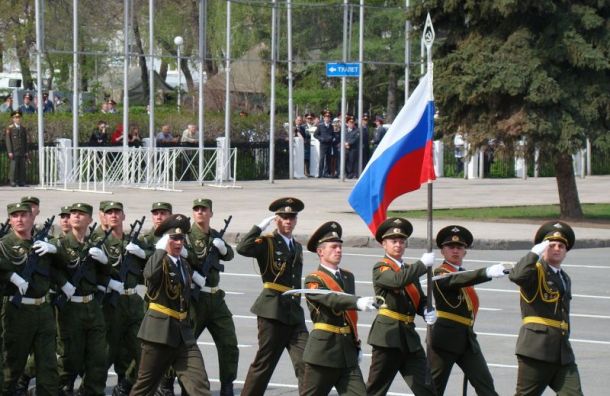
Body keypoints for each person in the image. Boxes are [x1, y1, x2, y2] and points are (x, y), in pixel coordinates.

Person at [129, 214, 211, 396]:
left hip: (183, 334)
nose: (179, 243)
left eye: (181, 238)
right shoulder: (158, 261)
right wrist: (159, 251)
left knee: (199, 383)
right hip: (159, 334)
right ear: (166, 239)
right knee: (145, 386)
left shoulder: (184, 264)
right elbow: (149, 276)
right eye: (174, 238)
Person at [236, 197, 309, 395]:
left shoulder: (297, 247)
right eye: (284, 217)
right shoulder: (267, 242)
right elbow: (243, 248)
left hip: (294, 313)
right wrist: (258, 228)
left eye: (291, 217)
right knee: (264, 364)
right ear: (276, 219)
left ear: (296, 220)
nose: (288, 221)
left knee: (307, 364)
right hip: (272, 311)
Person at [301, 221, 377, 396]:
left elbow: (348, 315)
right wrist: (357, 302)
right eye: (334, 247)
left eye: (340, 247)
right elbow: (331, 299)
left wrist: (355, 344)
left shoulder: (348, 277)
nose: (339, 250)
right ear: (320, 251)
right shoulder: (313, 279)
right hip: (323, 352)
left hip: (347, 352)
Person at [429, 225, 506, 395]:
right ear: (442, 251)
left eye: (460, 247)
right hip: (445, 339)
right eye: (450, 247)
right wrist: (487, 272)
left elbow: (463, 279)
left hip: (467, 338)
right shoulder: (440, 273)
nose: (455, 251)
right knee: (434, 387)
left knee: (485, 383)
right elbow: (455, 280)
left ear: (465, 251)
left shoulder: (463, 274)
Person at [508, 221, 583, 396]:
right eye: (552, 245)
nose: (557, 248)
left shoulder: (564, 277)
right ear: (543, 248)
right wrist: (534, 252)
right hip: (536, 350)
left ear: (566, 251)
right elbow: (517, 275)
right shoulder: (534, 271)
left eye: (561, 246)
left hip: (562, 353)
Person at [366, 217, 438, 396]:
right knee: (376, 389)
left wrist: (426, 310)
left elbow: (419, 298)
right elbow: (397, 281)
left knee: (426, 388)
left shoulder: (408, 269)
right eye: (393, 241)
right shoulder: (380, 268)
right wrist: (421, 265)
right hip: (388, 338)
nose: (398, 245)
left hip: (409, 338)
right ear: (384, 244)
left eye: (401, 241)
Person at [0, 202, 60, 396]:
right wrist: (11, 275)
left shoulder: (42, 243)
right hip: (18, 311)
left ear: (32, 217)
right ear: (10, 220)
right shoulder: (4, 244)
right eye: (15, 216)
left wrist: (55, 249)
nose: (19, 219)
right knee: (12, 364)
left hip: (43, 309)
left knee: (48, 366)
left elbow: (62, 266)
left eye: (24, 215)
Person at [52, 203, 110, 396]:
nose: (76, 216)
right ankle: (57, 389)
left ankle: (92, 391)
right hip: (71, 308)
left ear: (90, 220)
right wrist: (62, 283)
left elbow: (105, 275)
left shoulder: (94, 246)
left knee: (98, 357)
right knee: (70, 358)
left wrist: (105, 261)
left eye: (81, 214)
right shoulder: (59, 244)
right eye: (73, 213)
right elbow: (50, 269)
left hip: (92, 306)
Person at [186, 198, 238, 396]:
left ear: (211, 213)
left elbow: (229, 255)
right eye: (197, 209)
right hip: (195, 300)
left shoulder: (215, 235)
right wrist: (193, 276)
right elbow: (178, 260)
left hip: (216, 299)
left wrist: (223, 248)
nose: (200, 212)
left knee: (229, 344)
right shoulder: (187, 236)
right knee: (185, 346)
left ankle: (227, 385)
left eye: (204, 209)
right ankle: (171, 384)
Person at [98, 202, 147, 396]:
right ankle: (91, 387)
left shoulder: (132, 241)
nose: (114, 216)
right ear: (103, 216)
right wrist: (108, 281)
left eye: (117, 212)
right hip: (112, 303)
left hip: (133, 301)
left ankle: (126, 383)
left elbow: (153, 256)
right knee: (107, 352)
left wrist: (143, 253)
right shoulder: (99, 242)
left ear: (123, 216)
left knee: (145, 351)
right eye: (109, 213)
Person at [5, 110, 29, 187]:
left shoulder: (23, 128)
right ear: (13, 119)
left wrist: (26, 151)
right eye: (16, 117)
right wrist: (9, 151)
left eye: (19, 117)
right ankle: (12, 181)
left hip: (21, 150)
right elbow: (8, 141)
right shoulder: (10, 128)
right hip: (14, 151)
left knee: (22, 167)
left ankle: (21, 181)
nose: (18, 119)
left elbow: (25, 141)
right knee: (14, 167)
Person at [314, 111, 334, 178]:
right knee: (322, 159)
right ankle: (320, 174)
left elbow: (333, 134)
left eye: (328, 117)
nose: (327, 118)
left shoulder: (331, 126)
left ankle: (326, 173)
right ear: (324, 118)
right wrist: (321, 138)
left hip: (329, 144)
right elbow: (315, 134)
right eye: (326, 117)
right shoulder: (320, 126)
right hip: (323, 144)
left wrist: (332, 138)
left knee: (328, 159)